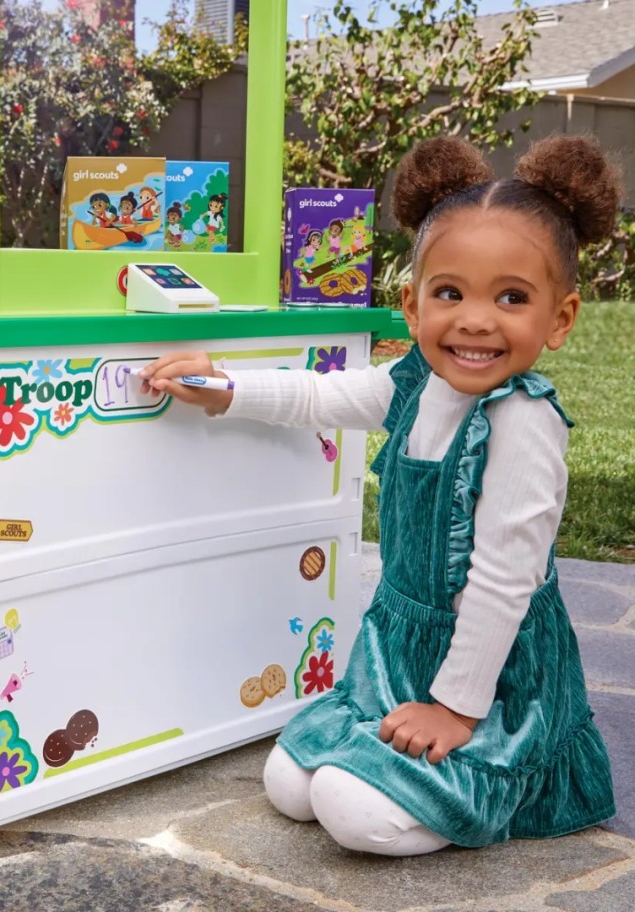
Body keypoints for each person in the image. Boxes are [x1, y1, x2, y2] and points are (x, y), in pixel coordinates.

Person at [138, 134, 622, 857]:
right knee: (289, 782)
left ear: (560, 318)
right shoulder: (413, 386)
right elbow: (318, 395)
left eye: (512, 298)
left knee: (344, 804)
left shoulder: (523, 424)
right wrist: (226, 388)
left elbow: (502, 583)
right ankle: (389, 753)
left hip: (487, 669)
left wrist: (457, 710)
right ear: (411, 303)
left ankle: (486, 787)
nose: (475, 319)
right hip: (398, 649)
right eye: (449, 293)